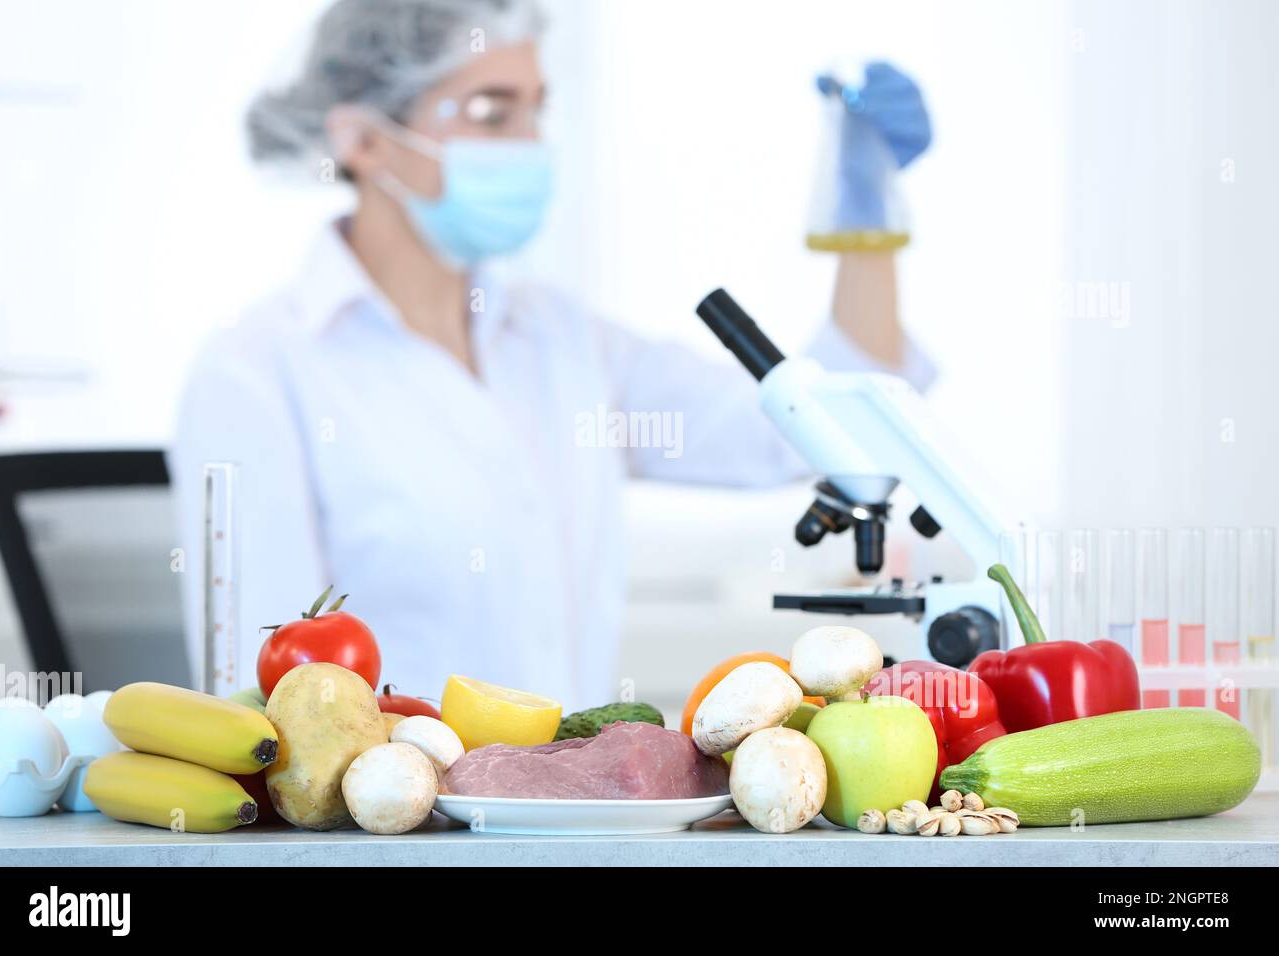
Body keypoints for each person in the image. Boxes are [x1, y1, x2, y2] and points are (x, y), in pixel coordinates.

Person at [171, 0, 934, 709]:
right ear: (363, 139)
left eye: (537, 111)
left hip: (562, 817)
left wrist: (865, 209)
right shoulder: (257, 373)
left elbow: (816, 429)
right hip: (382, 840)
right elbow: (266, 700)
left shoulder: (560, 340)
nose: (531, 146)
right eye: (491, 114)